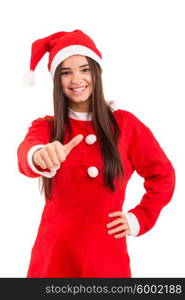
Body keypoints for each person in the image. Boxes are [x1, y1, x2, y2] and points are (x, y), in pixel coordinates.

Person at [17, 29, 176, 278]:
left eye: (84, 69)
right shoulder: (46, 127)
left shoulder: (125, 125)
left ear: (96, 72)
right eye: (66, 72)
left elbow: (163, 174)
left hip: (105, 256)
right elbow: (27, 152)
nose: (76, 79)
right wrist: (40, 155)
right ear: (56, 80)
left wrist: (140, 217)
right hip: (53, 255)